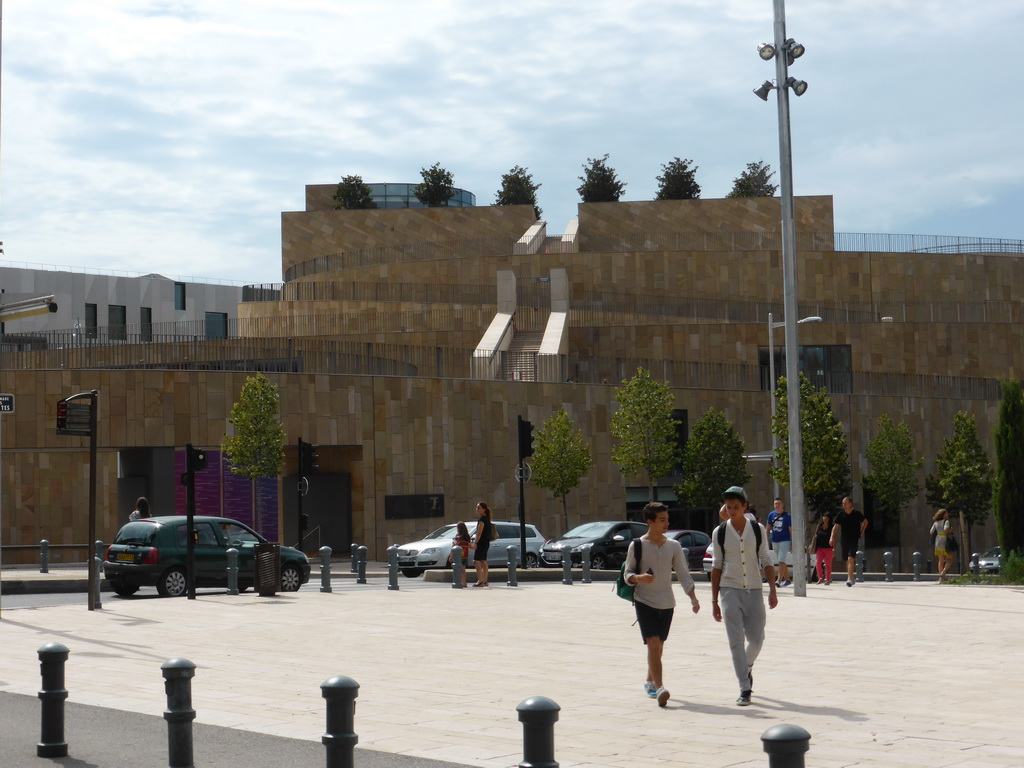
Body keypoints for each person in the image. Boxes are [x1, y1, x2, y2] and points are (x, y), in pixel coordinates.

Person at [623, 501, 699, 708]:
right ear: (650, 522)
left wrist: (693, 598)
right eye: (662, 520)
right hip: (644, 601)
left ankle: (649, 681)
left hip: (667, 603)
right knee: (654, 643)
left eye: (667, 519)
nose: (666, 523)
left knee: (658, 646)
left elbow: (684, 574)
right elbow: (627, 574)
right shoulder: (637, 545)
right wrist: (638, 578)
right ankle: (660, 688)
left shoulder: (673, 546)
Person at [711, 486, 777, 706]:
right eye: (728, 507)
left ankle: (746, 666)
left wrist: (773, 590)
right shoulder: (719, 532)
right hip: (729, 589)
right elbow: (716, 566)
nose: (732, 511)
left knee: (757, 640)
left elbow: (766, 560)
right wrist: (714, 601)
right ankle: (744, 687)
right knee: (735, 642)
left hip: (755, 590)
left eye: (736, 507)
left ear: (745, 507)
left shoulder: (757, 530)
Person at [836, 497, 868, 587]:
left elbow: (865, 522)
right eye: (843, 503)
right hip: (844, 539)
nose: (843, 505)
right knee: (847, 559)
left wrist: (861, 531)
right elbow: (836, 527)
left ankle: (849, 578)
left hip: (854, 539)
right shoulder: (841, 514)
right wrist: (832, 537)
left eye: (845, 503)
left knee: (851, 558)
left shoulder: (857, 514)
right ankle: (851, 577)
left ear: (850, 504)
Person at [767, 498, 792, 587]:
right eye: (775, 503)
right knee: (781, 561)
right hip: (775, 540)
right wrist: (765, 539)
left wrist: (792, 543)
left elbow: (790, 530)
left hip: (785, 540)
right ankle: (788, 579)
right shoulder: (771, 515)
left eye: (779, 503)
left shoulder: (787, 516)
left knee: (781, 560)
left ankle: (778, 580)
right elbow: (768, 527)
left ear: (782, 505)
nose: (777, 505)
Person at [471, 501, 493, 587]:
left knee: (476, 561)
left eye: (479, 508)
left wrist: (475, 542)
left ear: (484, 509)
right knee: (483, 561)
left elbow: (479, 532)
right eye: (476, 507)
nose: (477, 509)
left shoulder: (482, 519)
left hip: (481, 542)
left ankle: (480, 580)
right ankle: (485, 580)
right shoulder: (487, 518)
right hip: (486, 542)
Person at [812, 513, 837, 585]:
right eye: (824, 516)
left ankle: (828, 579)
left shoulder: (832, 527)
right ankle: (820, 578)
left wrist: (834, 549)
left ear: (829, 518)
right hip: (820, 548)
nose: (825, 518)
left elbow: (834, 538)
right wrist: (812, 544)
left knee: (828, 564)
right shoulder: (819, 526)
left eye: (826, 517)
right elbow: (815, 536)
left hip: (828, 548)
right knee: (818, 563)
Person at [931, 509, 953, 582]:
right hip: (945, 540)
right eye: (946, 514)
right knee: (949, 559)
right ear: (943, 515)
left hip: (938, 541)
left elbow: (931, 532)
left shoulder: (936, 523)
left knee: (940, 560)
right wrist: (950, 531)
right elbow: (946, 529)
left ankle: (941, 578)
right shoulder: (946, 521)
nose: (947, 515)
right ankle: (943, 573)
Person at [453, 521, 472, 588]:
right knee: (463, 569)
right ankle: (464, 581)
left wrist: (451, 556)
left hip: (458, 556)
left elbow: (453, 547)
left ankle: (463, 582)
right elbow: (470, 546)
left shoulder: (457, 538)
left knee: (459, 569)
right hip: (465, 556)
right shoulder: (467, 537)